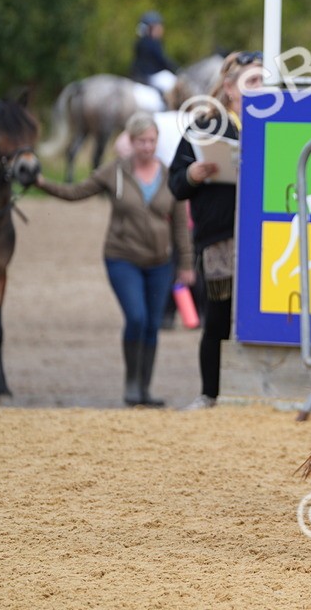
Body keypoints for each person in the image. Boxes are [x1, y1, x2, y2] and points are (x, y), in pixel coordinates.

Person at [35, 111, 194, 407]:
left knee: (152, 324)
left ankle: (145, 390)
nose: (147, 146)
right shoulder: (114, 172)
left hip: (160, 262)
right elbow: (75, 192)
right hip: (122, 257)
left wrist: (185, 264)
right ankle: (131, 384)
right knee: (136, 317)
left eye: (152, 141)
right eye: (141, 141)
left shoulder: (171, 174)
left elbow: (179, 224)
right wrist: (42, 183)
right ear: (131, 142)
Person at [168, 52, 252, 410]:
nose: (258, 89)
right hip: (220, 237)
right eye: (252, 82)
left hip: (268, 239)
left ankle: (249, 392)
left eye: (264, 81)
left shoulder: (279, 121)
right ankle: (210, 393)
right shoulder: (205, 125)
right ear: (230, 88)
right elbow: (176, 183)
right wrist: (192, 175)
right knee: (218, 317)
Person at [130, 11, 181, 95]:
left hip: (142, 76)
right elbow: (162, 60)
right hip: (151, 75)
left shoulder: (141, 42)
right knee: (174, 84)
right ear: (150, 28)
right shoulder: (151, 42)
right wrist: (177, 69)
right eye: (158, 26)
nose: (161, 30)